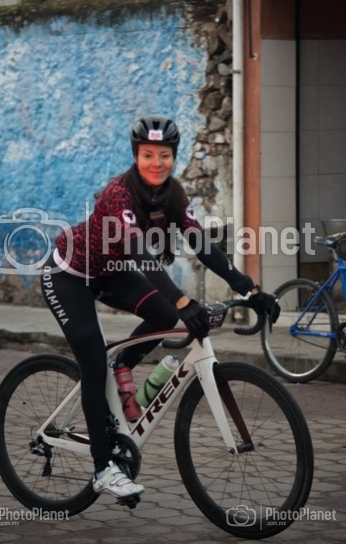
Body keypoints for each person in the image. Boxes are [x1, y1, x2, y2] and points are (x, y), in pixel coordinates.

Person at [41, 115, 279, 501]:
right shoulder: (120, 193)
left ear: (173, 156)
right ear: (136, 156)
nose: (156, 163)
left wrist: (249, 289)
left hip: (110, 272)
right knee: (93, 360)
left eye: (164, 155)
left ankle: (122, 366)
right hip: (69, 274)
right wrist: (183, 300)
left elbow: (201, 244)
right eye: (148, 154)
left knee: (164, 316)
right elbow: (140, 254)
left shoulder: (173, 195)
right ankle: (103, 469)